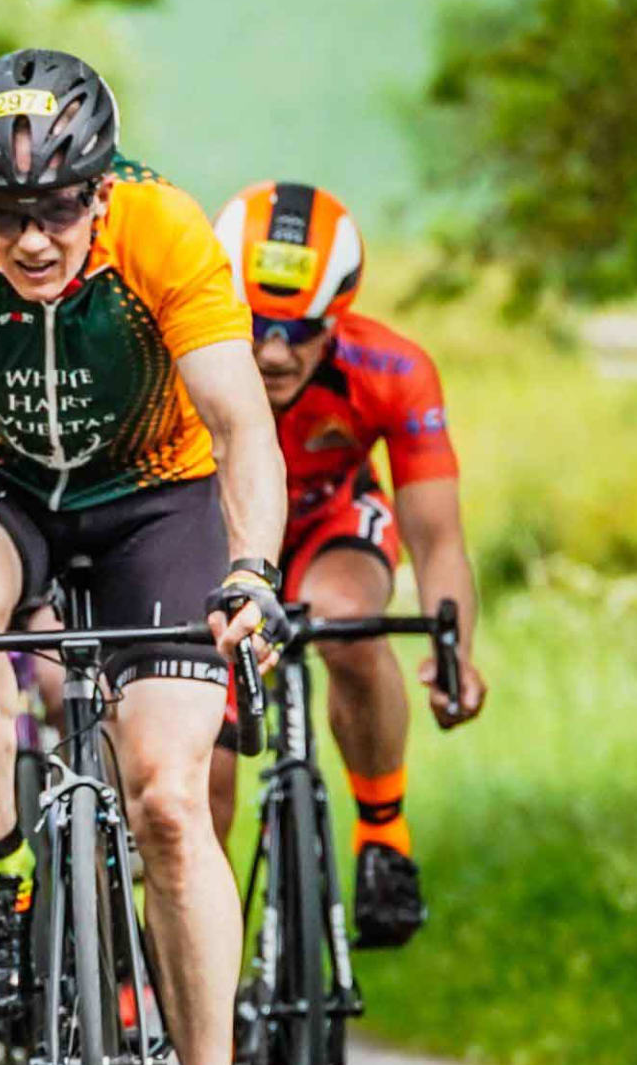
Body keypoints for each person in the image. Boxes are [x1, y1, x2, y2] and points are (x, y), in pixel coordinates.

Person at [0, 47, 290, 1065]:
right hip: (0, 483)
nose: (35, 239)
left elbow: (240, 423)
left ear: (101, 191)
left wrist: (253, 570)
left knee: (169, 802)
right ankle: (5, 873)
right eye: (7, 213)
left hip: (156, 495)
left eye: (60, 208)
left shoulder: (163, 234)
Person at [207, 181, 491, 942]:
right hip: (222, 529)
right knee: (207, 755)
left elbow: (435, 536)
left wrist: (453, 649)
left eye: (299, 330)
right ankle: (186, 937)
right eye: (256, 323)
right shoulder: (185, 356)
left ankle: (384, 833)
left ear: (338, 315)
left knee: (348, 621)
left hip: (331, 521)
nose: (272, 350)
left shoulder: (393, 369)